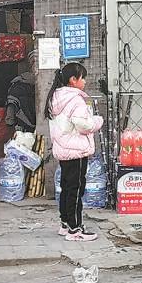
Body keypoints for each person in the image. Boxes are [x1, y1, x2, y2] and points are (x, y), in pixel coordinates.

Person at [45, 63, 103, 241]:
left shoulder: (55, 98)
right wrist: (96, 122)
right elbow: (82, 124)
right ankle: (75, 229)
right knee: (76, 189)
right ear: (73, 80)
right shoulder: (75, 99)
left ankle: (65, 223)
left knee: (66, 187)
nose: (85, 81)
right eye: (82, 78)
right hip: (76, 150)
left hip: (63, 149)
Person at [5, 51, 37, 132]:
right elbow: (12, 104)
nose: (37, 66)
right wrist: (10, 119)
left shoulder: (51, 83)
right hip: (24, 126)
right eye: (34, 62)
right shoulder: (19, 84)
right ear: (31, 66)